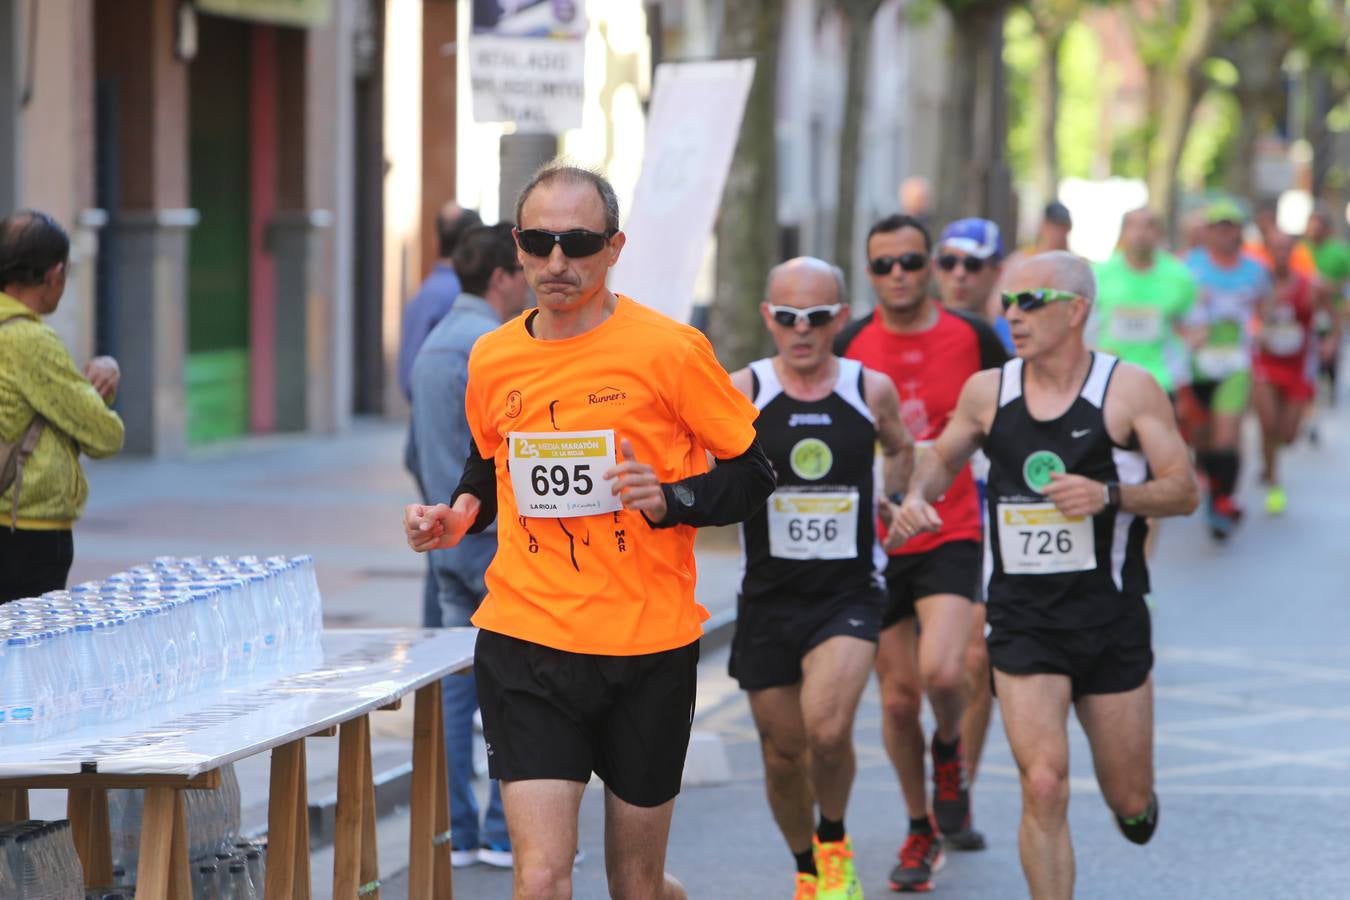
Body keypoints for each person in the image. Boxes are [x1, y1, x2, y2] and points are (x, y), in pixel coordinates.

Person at [402, 162, 775, 900]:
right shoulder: (493, 355)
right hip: (528, 637)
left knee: (635, 886)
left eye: (578, 242)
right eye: (539, 242)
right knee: (540, 879)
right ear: (517, 245)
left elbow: (755, 473)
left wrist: (671, 498)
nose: (557, 262)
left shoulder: (670, 351)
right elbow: (490, 462)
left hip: (648, 645)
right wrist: (460, 513)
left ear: (614, 247)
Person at [891, 251, 1200, 900]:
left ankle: (1136, 804)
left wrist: (1109, 496)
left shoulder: (1128, 389)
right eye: (1007, 303)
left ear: (1076, 310)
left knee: (1129, 798)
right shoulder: (989, 392)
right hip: (1024, 619)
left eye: (1029, 302)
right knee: (1043, 782)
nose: (1012, 315)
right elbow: (940, 460)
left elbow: (1182, 490)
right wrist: (919, 497)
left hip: (1110, 617)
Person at [729, 257, 914, 900]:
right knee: (783, 756)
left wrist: (895, 502)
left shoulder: (871, 388)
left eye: (816, 318)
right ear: (768, 318)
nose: (800, 331)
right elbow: (693, 462)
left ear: (841, 316)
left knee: (828, 731)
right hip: (769, 597)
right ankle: (806, 866)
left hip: (848, 594)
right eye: (786, 317)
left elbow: (900, 447)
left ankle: (833, 839)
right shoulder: (743, 389)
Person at [835, 214, 1008, 892]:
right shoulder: (851, 342)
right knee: (898, 698)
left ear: (930, 264)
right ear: (871, 272)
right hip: (874, 542)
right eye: (884, 265)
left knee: (947, 672)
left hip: (952, 525)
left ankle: (949, 751)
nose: (899, 275)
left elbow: (1015, 413)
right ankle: (919, 827)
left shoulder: (974, 337)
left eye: (911, 261)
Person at [410, 222, 529, 868]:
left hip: (447, 540)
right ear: (502, 277)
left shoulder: (433, 345)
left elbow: (411, 451)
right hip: (494, 540)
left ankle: (459, 831)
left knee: (459, 686)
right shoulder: (492, 347)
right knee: (514, 688)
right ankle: (507, 833)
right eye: (522, 268)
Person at [0, 210, 124, 603]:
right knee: (24, 655)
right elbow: (104, 435)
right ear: (55, 274)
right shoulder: (30, 341)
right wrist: (106, 378)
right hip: (25, 531)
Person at [399, 201, 484, 630]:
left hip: (430, 449)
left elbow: (407, 378)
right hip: (458, 465)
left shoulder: (423, 296)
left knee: (443, 596)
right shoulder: (464, 310)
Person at [1182, 200, 1274, 539]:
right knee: (1201, 439)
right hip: (1195, 363)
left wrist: (1260, 328)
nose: (1224, 232)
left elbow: (1267, 309)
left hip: (1235, 362)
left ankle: (1221, 501)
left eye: (1230, 226)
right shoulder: (1188, 266)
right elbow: (1173, 315)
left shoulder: (1255, 269)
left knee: (1227, 435)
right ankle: (1212, 484)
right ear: (1206, 231)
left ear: (1239, 230)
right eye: (1217, 226)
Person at [1251, 230, 1334, 515]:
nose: (1282, 254)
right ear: (1268, 250)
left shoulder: (1311, 284)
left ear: (1294, 251)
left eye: (1287, 248)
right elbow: (1240, 313)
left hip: (1298, 366)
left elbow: (1334, 313)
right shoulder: (1257, 282)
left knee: (1287, 434)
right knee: (1267, 423)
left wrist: (1330, 341)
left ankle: (1271, 457)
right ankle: (1273, 479)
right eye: (1276, 248)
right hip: (1265, 363)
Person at [1091, 208, 1198, 398]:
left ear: (1159, 234)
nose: (1140, 233)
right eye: (1133, 226)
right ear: (1122, 233)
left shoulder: (1179, 275)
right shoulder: (1100, 274)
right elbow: (1084, 326)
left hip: (1162, 381)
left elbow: (1196, 325)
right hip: (1109, 379)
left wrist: (1183, 368)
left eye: (1148, 226)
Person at [934, 217, 1012, 352]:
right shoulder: (913, 333)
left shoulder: (1016, 340)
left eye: (973, 264)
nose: (959, 274)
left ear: (997, 272)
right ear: (935, 267)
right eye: (948, 262)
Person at [1302, 205, 1350, 406]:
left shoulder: (1339, 252)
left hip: (1333, 311)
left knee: (1329, 350)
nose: (1314, 230)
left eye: (1318, 226)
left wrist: (1333, 288)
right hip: (1307, 311)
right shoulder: (1300, 250)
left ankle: (1329, 383)